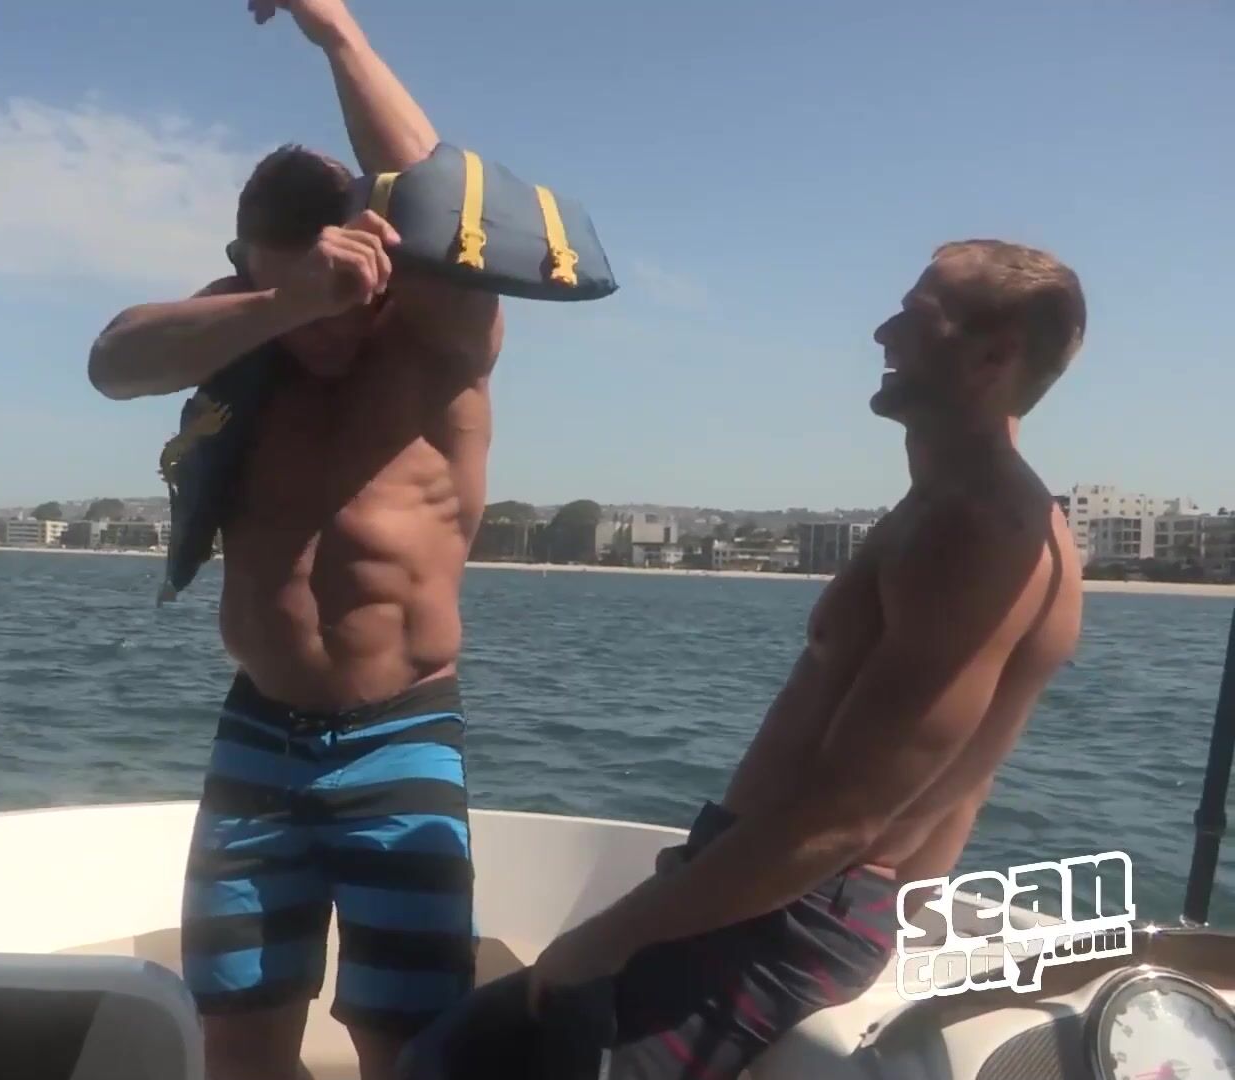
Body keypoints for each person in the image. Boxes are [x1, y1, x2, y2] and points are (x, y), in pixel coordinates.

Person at [401, 239, 1089, 1079]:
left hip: (787, 915)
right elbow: (947, 790)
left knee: (454, 1059)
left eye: (915, 318)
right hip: (780, 897)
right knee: (448, 1054)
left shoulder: (978, 530)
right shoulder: (967, 508)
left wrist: (605, 939)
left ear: (992, 357)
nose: (882, 333)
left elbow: (844, 816)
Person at [86, 1, 504, 1075]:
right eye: (285, 294)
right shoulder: (243, 328)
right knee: (236, 1036)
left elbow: (448, 195)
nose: (322, 326)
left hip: (400, 733)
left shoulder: (435, 341)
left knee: (408, 1045)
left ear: (381, 254)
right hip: (256, 735)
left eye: (341, 295)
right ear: (246, 269)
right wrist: (286, 300)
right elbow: (112, 361)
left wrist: (336, 30)